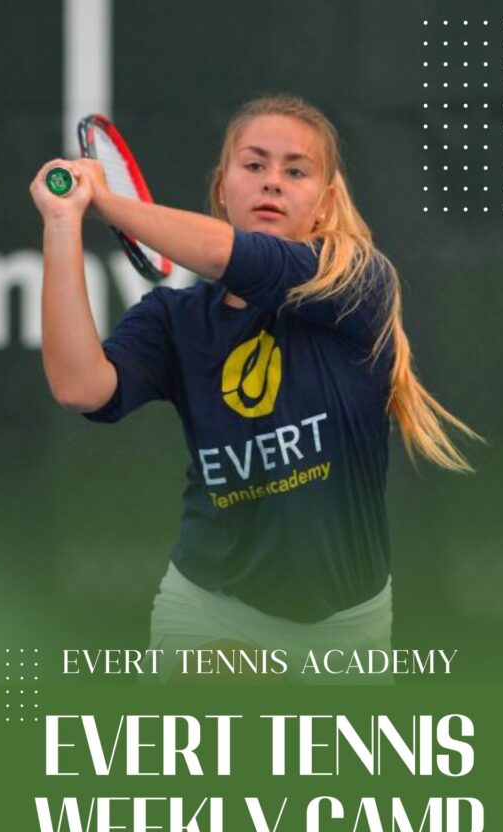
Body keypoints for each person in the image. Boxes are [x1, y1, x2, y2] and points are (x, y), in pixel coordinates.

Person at [30, 94, 477, 683]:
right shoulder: (175, 319)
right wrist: (63, 223)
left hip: (348, 628)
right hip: (211, 607)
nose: (273, 182)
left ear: (324, 202)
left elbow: (227, 254)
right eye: (255, 164)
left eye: (296, 171)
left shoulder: (355, 281)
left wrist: (107, 202)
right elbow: (80, 386)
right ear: (223, 187)